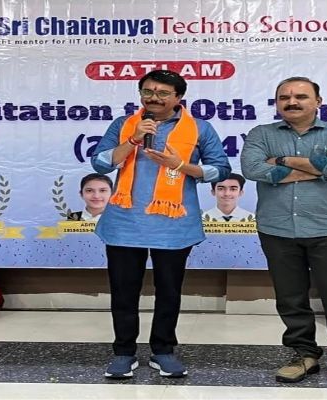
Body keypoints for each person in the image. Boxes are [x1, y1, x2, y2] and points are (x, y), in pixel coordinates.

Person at [91, 69, 230, 379]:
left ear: (178, 97)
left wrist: (180, 165)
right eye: (148, 91)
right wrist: (133, 139)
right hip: (125, 223)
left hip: (173, 225)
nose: (153, 98)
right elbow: (100, 164)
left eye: (163, 93)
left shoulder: (200, 128)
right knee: (123, 292)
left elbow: (221, 169)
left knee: (169, 291)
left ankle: (163, 350)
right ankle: (123, 352)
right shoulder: (125, 125)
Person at [240, 77, 327, 388]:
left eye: (300, 96)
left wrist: (281, 161)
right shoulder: (261, 134)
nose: (292, 102)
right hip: (277, 228)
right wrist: (320, 167)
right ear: (277, 103)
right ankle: (303, 353)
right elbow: (252, 169)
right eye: (284, 97)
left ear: (318, 102)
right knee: (290, 297)